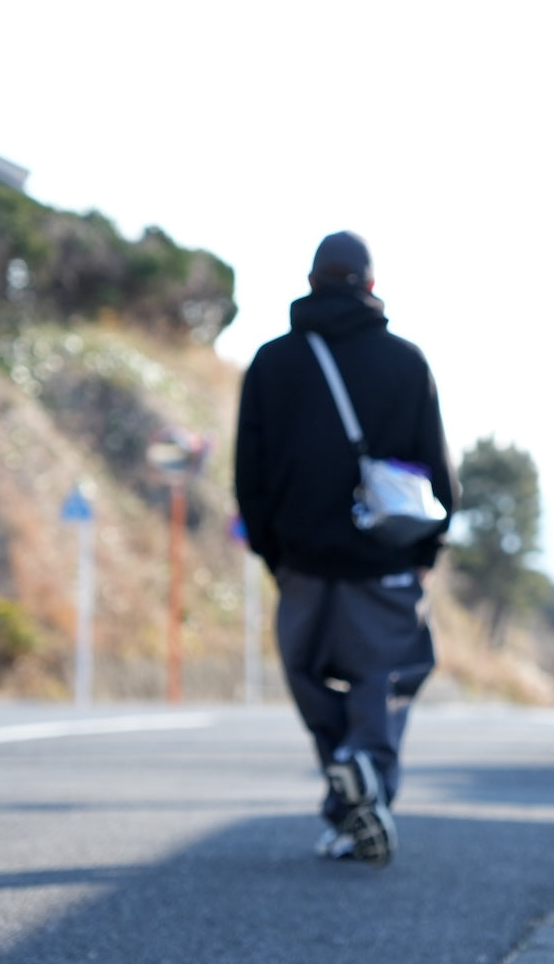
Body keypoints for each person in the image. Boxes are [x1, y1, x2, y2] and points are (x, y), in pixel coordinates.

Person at [234, 230, 458, 866]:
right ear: (372, 285)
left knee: (310, 678)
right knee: (383, 679)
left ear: (311, 282)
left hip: (301, 562)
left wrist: (273, 553)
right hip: (385, 560)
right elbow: (438, 473)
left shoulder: (272, 363)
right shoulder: (406, 362)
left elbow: (248, 475)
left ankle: (346, 790)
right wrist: (426, 551)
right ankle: (363, 771)